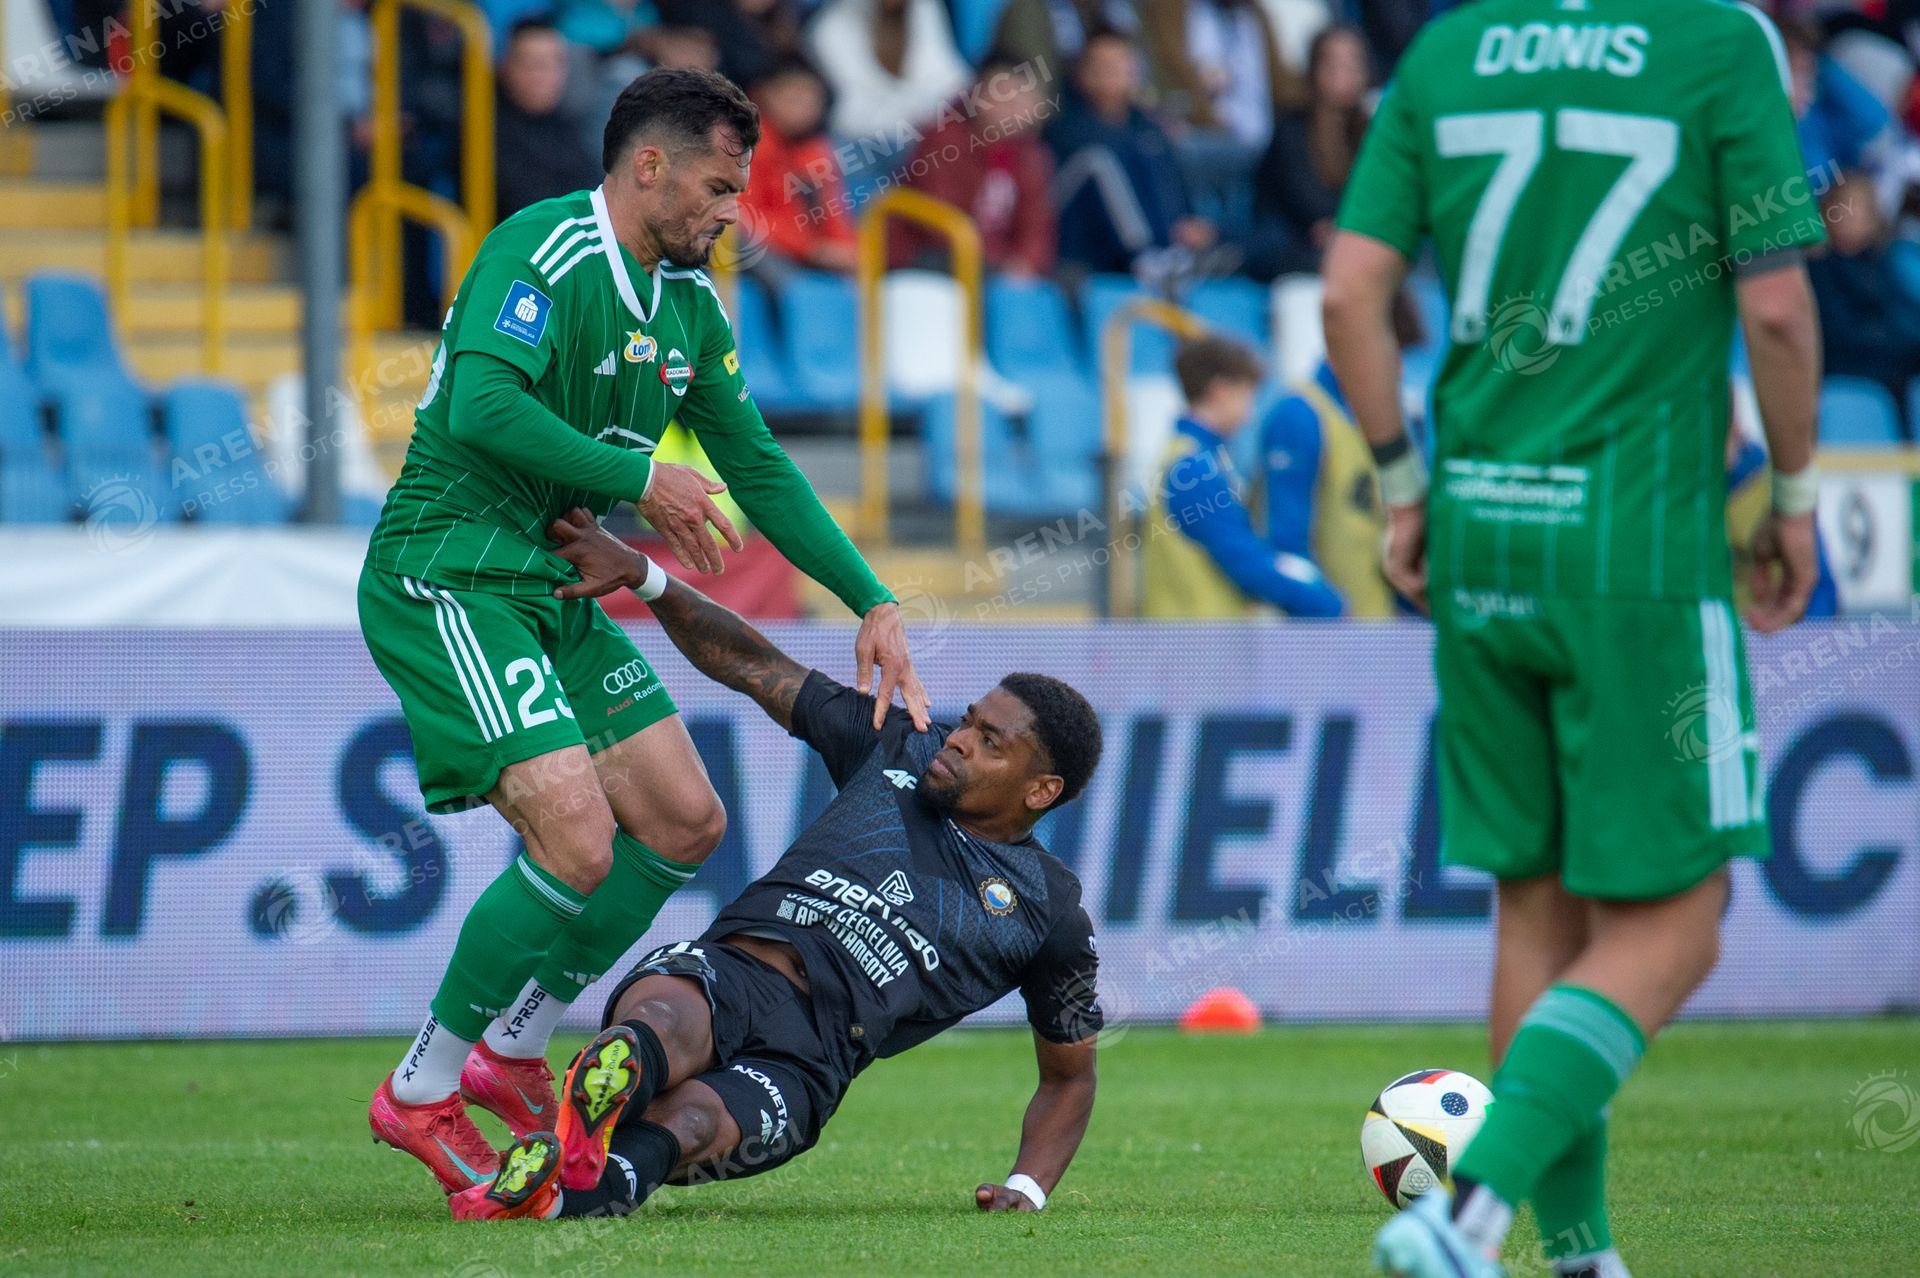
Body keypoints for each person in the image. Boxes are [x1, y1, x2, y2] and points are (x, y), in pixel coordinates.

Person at [1321, 2, 1826, 1275]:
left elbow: (1349, 291)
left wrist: (1404, 485)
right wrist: (1796, 496)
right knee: (1680, 923)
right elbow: (1776, 310)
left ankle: (1578, 1257)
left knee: (1536, 918)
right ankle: (1467, 1215)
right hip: (1637, 548)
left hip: (1483, 534)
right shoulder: (1718, 43)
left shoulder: (1450, 48)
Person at [360, 67, 929, 1197]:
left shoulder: (690, 307)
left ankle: (512, 1049)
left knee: (683, 818)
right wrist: (640, 477)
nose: (731, 211)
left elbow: (758, 465)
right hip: (451, 568)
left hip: (556, 579)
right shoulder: (544, 249)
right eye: (718, 186)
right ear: (650, 165)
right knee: (576, 837)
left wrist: (871, 596)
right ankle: (420, 1089)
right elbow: (480, 406)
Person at [450, 516, 1104, 1221]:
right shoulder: (897, 745)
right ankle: (607, 1101)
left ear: (1041, 791)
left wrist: (1028, 1186)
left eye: (990, 742)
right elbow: (751, 664)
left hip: (814, 1055)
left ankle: (576, 1182)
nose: (960, 739)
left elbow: (1070, 1076)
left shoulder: (1048, 910)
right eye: (970, 720)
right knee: (662, 1023)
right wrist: (647, 575)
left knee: (694, 1123)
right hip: (730, 970)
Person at [1144, 336, 1344, 618]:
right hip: (1198, 637)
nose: (1250, 414)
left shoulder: (1189, 455)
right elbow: (1246, 563)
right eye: (1247, 395)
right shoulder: (1195, 470)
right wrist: (1329, 607)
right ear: (1220, 391)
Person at [1046, 29, 1218, 279]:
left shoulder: (1148, 128)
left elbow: (1173, 186)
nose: (1114, 73)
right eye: (1104, 66)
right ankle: (1147, 256)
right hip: (1087, 254)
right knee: (1098, 163)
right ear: (1082, 73)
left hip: (1164, 249)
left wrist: (1187, 223)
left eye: (1122, 64)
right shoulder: (1065, 128)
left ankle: (1176, 257)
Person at [893, 59, 1058, 277]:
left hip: (996, 262)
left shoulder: (1032, 156)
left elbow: (1036, 225)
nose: (1014, 110)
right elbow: (939, 225)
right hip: (932, 256)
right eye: (1005, 98)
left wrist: (1026, 262)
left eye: (1023, 102)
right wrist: (1001, 262)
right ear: (978, 97)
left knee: (1074, 282)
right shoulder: (944, 142)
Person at [1255, 358, 1394, 618]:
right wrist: (1327, 608)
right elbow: (1287, 539)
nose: (1398, 368)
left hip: (1371, 616)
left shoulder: (1361, 410)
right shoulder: (1300, 413)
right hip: (1328, 626)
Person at [1246, 22, 1373, 279]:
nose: (1345, 73)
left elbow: (1379, 193)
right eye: (1333, 64)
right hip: (1289, 246)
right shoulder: (1292, 128)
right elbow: (1306, 203)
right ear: (1315, 69)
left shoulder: (1368, 130)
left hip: (1342, 244)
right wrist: (1348, 227)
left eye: (1353, 64)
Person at [739, 58, 861, 277]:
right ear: (765, 96)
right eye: (794, 98)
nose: (803, 108)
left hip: (810, 257)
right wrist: (810, 248)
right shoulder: (746, 145)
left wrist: (846, 250)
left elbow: (833, 215)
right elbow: (744, 215)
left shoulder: (816, 151)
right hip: (765, 253)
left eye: (811, 100)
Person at [805, 0, 971, 141]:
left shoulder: (925, 8)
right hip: (861, 141)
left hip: (924, 132)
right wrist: (915, 114)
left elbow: (952, 81)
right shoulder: (829, 28)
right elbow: (851, 114)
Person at [496, 19, 604, 222]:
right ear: (506, 66)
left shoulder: (568, 127)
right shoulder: (483, 127)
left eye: (555, 64)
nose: (544, 76)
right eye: (533, 64)